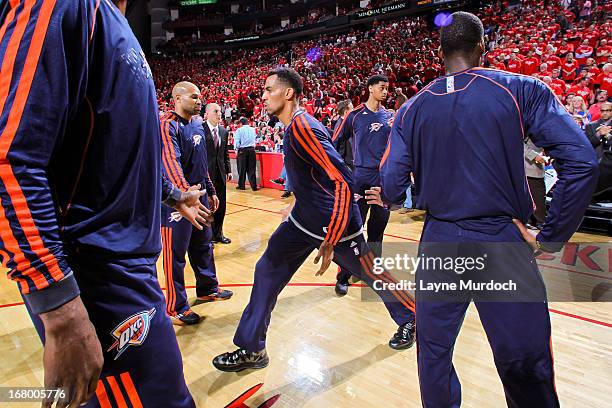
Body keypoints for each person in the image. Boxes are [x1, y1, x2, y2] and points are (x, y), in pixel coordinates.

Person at [368, 12, 597, 408]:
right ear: (482, 48)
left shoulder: (412, 108)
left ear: (439, 53)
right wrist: (552, 235)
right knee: (524, 363)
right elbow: (582, 161)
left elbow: (389, 185)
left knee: (434, 356)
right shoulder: (521, 88)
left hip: (439, 241)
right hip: (500, 242)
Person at [0, 1, 212, 406]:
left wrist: (171, 193)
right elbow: (8, 156)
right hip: (93, 269)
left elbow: (116, 146)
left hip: (125, 263)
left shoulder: (113, 19)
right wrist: (58, 305)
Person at [212, 68, 416, 373]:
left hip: (336, 222)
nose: (263, 96)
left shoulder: (304, 127)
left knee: (373, 273)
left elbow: (343, 182)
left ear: (289, 93)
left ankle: (411, 316)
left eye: (269, 90)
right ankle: (252, 348)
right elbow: (313, 176)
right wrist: (295, 202)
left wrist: (331, 237)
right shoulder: (292, 126)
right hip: (303, 219)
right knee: (266, 268)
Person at [161, 83, 233, 326]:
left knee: (203, 245)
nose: (199, 100)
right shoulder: (167, 124)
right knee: (175, 255)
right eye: (194, 97)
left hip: (198, 194)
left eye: (201, 97)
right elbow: (171, 162)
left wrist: (209, 190)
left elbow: (202, 165)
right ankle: (175, 307)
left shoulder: (197, 126)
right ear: (178, 98)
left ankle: (207, 288)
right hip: (177, 200)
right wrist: (186, 194)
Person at [332, 75, 394, 296]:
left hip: (382, 181)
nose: (386, 91)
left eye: (387, 88)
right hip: (359, 180)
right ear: (370, 89)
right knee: (352, 231)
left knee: (377, 230)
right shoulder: (354, 115)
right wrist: (342, 171)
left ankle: (372, 273)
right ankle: (343, 276)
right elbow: (335, 143)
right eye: (382, 87)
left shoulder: (390, 117)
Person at [204, 103, 233, 244]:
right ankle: (206, 237)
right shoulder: (200, 129)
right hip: (206, 175)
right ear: (207, 114)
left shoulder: (223, 131)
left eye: (220, 111)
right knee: (207, 206)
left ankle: (218, 234)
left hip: (221, 174)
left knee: (221, 206)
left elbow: (225, 153)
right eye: (216, 111)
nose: (219, 113)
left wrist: (228, 169)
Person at [585, 102, 612, 200]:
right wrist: (598, 134)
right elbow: (587, 145)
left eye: (608, 110)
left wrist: (608, 136)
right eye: (603, 111)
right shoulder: (591, 126)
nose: (605, 113)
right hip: (596, 160)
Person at [234, 117, 258, 190]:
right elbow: (255, 140)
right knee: (252, 169)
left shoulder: (239, 130)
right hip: (252, 150)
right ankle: (254, 186)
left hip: (242, 151)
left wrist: (236, 149)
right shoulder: (253, 130)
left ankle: (241, 186)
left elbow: (237, 142)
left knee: (242, 169)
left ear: (241, 123)